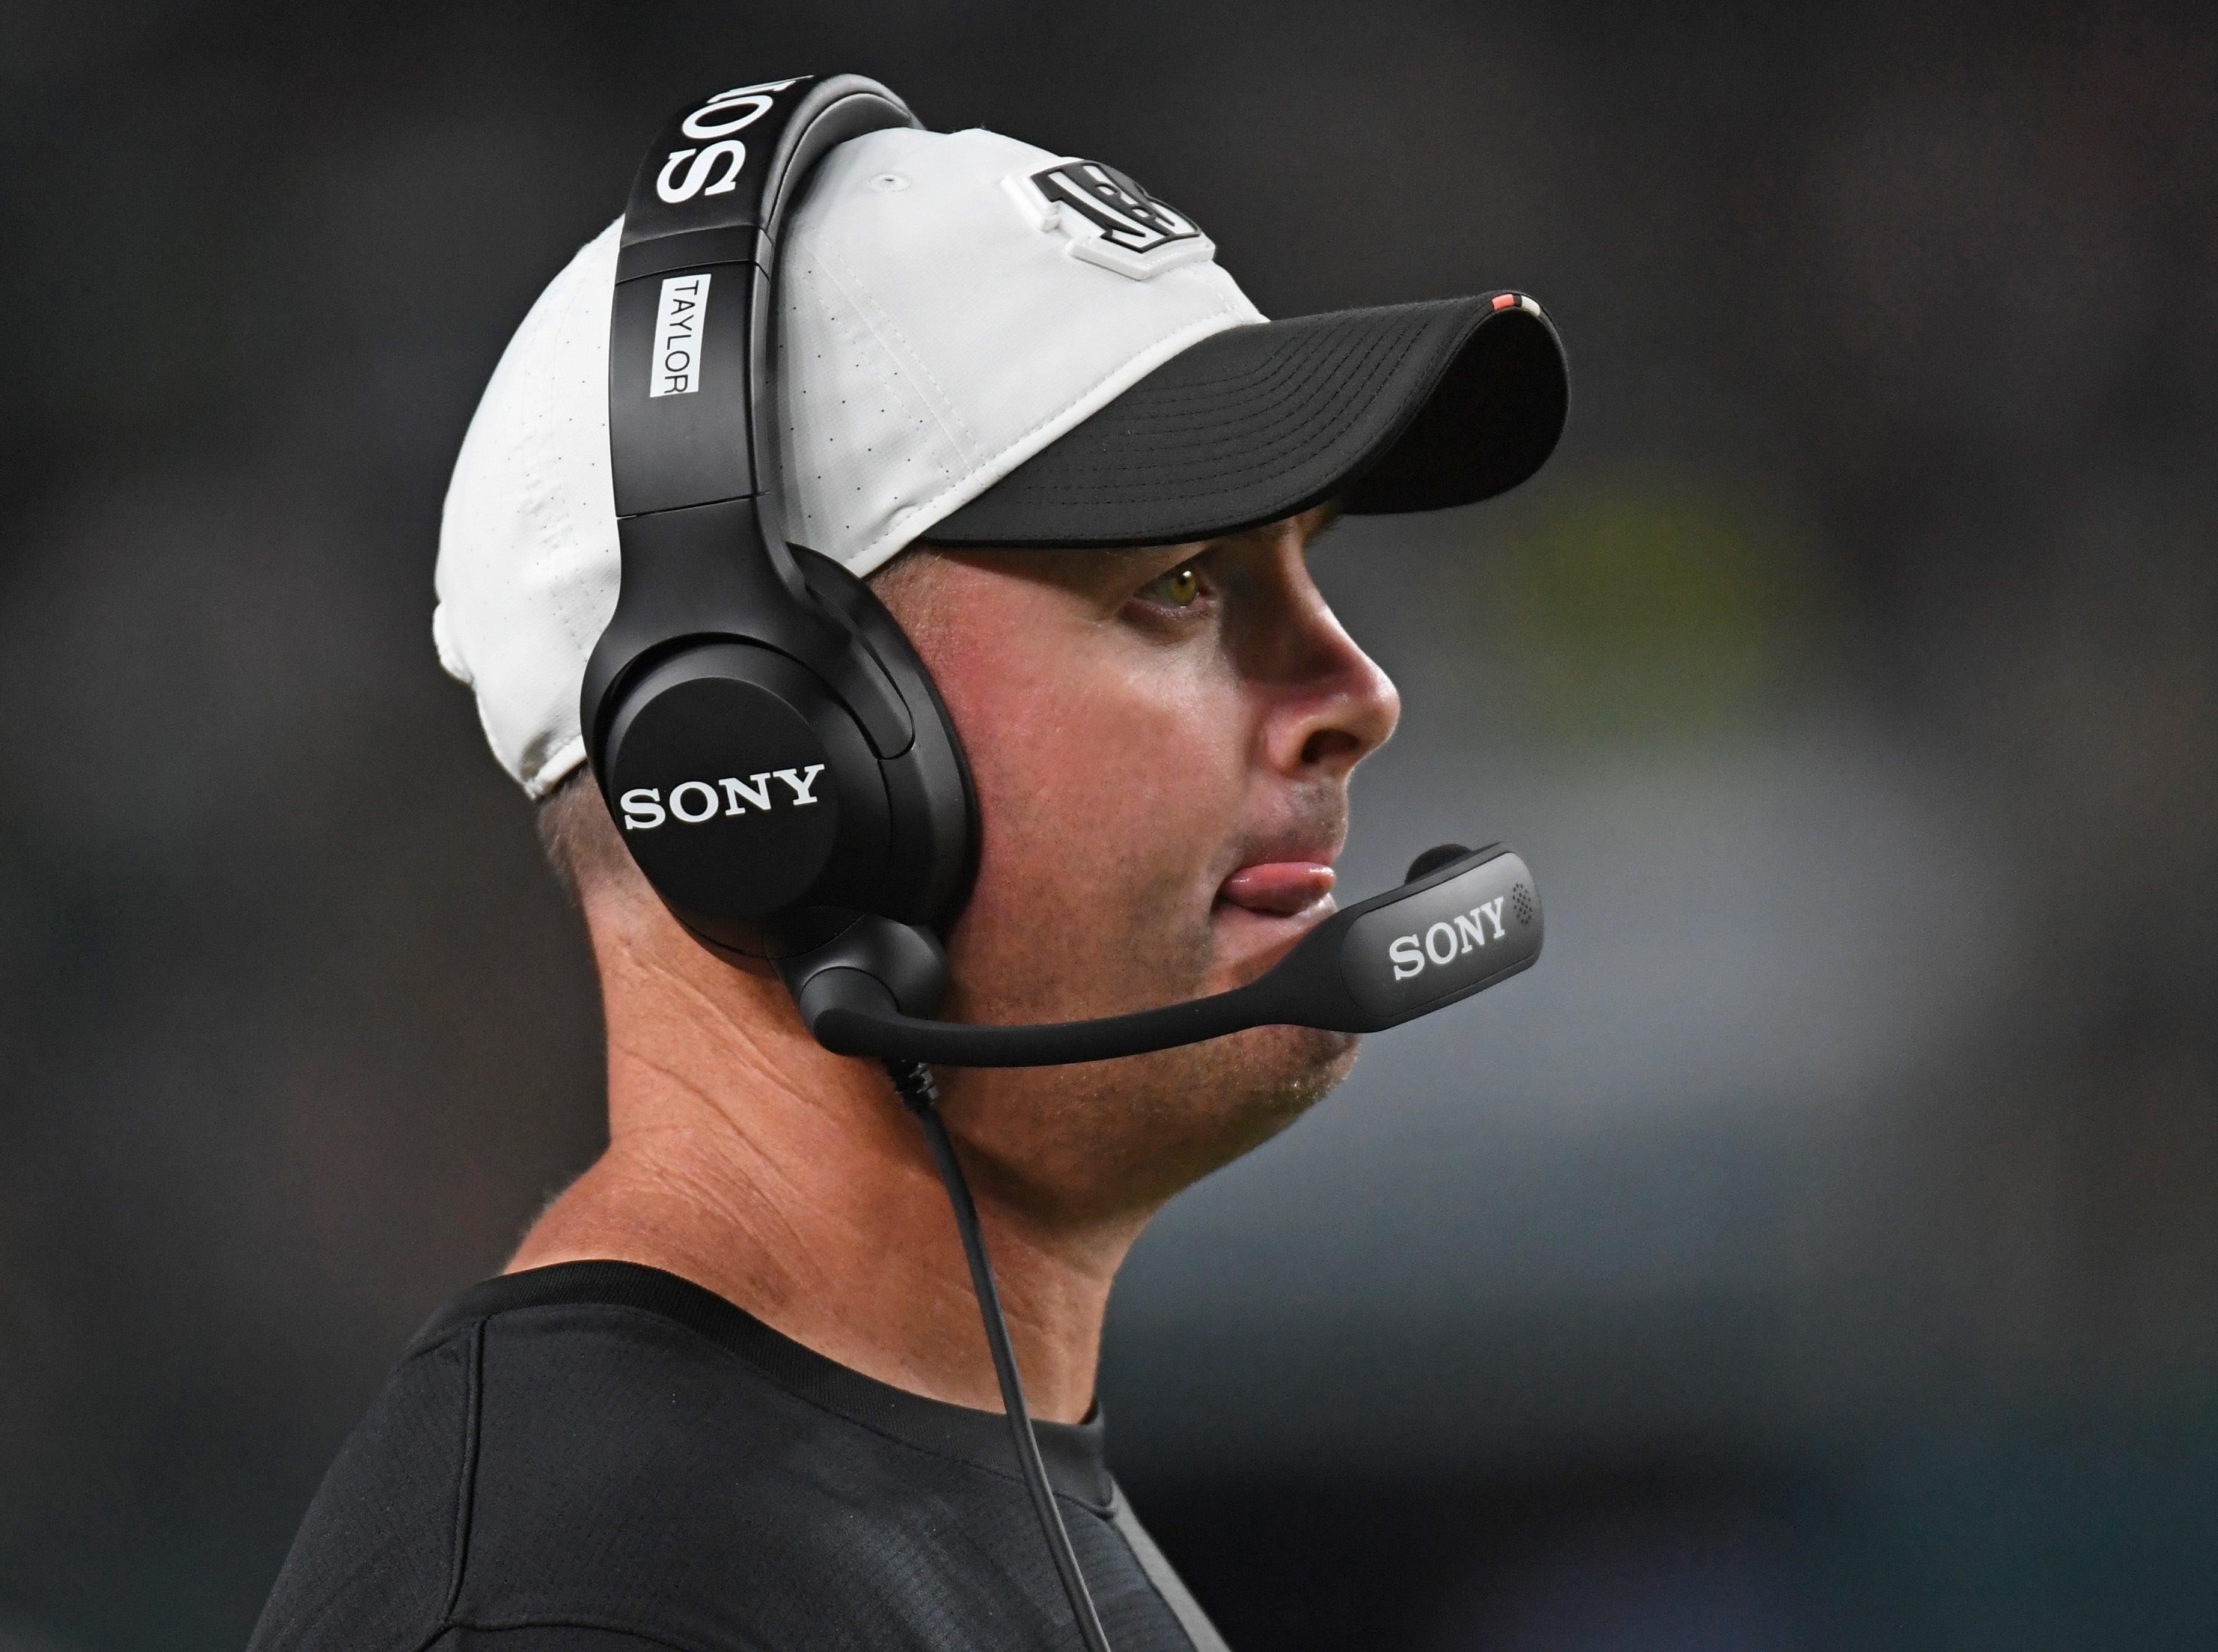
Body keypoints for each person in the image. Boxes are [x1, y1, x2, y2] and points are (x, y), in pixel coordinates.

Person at [248, 97, 1565, 1652]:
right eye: (1182, 583)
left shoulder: (908, 1497)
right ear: (764, 762)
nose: (1357, 688)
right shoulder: (587, 1613)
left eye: (1308, 562)